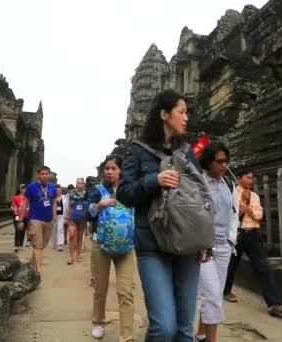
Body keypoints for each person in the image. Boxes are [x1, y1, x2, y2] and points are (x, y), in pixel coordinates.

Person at [117, 89, 201, 341]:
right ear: (164, 114)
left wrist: (205, 238)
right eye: (181, 112)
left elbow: (199, 194)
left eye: (187, 112)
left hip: (187, 243)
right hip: (152, 244)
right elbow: (124, 193)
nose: (186, 118)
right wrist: (154, 180)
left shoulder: (187, 152)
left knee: (185, 330)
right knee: (164, 327)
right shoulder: (138, 151)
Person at [223, 170, 282, 317]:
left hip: (253, 234)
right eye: (247, 178)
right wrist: (240, 210)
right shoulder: (231, 194)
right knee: (231, 265)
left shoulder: (254, 196)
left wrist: (249, 210)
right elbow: (228, 215)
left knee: (262, 267)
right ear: (239, 178)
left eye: (251, 178)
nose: (250, 181)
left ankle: (273, 304)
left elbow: (259, 216)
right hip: (238, 234)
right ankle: (225, 291)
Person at [87, 155, 136, 341]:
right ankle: (98, 321)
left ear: (120, 170)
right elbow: (88, 213)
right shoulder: (98, 190)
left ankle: (127, 335)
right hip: (102, 246)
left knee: (126, 291)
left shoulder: (130, 190)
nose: (109, 171)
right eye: (107, 168)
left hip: (126, 247)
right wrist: (100, 205)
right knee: (100, 288)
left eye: (113, 168)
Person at [195, 142, 239, 342]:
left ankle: (202, 333)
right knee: (212, 296)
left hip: (224, 247)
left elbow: (234, 214)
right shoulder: (198, 183)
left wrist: (231, 239)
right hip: (205, 248)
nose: (224, 165)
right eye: (219, 161)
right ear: (208, 162)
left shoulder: (229, 184)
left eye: (226, 161)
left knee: (214, 295)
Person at [19, 166, 57, 273]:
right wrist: (21, 220)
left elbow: (54, 202)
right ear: (38, 175)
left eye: (46, 174)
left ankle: (32, 265)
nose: (44, 176)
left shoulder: (52, 187)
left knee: (41, 246)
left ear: (49, 175)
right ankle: (38, 272)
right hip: (35, 219)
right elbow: (25, 203)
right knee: (38, 246)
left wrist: (54, 216)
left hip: (48, 219)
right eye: (42, 174)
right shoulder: (31, 187)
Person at [65, 178, 88, 265]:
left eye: (81, 183)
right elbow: (69, 206)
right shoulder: (71, 194)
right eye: (78, 183)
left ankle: (78, 255)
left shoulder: (87, 195)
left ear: (84, 185)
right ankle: (71, 256)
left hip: (82, 218)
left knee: (79, 237)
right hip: (72, 218)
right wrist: (66, 218)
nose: (79, 185)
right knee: (71, 235)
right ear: (76, 184)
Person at [11, 184, 27, 252]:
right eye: (22, 189)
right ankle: (16, 245)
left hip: (25, 216)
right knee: (17, 230)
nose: (23, 190)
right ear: (20, 190)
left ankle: (20, 244)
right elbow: (12, 206)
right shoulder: (16, 197)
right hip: (17, 215)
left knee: (22, 231)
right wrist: (14, 209)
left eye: (25, 189)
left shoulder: (28, 198)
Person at [52, 186, 65, 251]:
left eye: (59, 190)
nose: (58, 191)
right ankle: (54, 243)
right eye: (57, 190)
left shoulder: (64, 198)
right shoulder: (53, 198)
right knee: (54, 230)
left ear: (61, 191)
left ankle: (60, 244)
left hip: (62, 216)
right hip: (54, 216)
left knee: (60, 229)